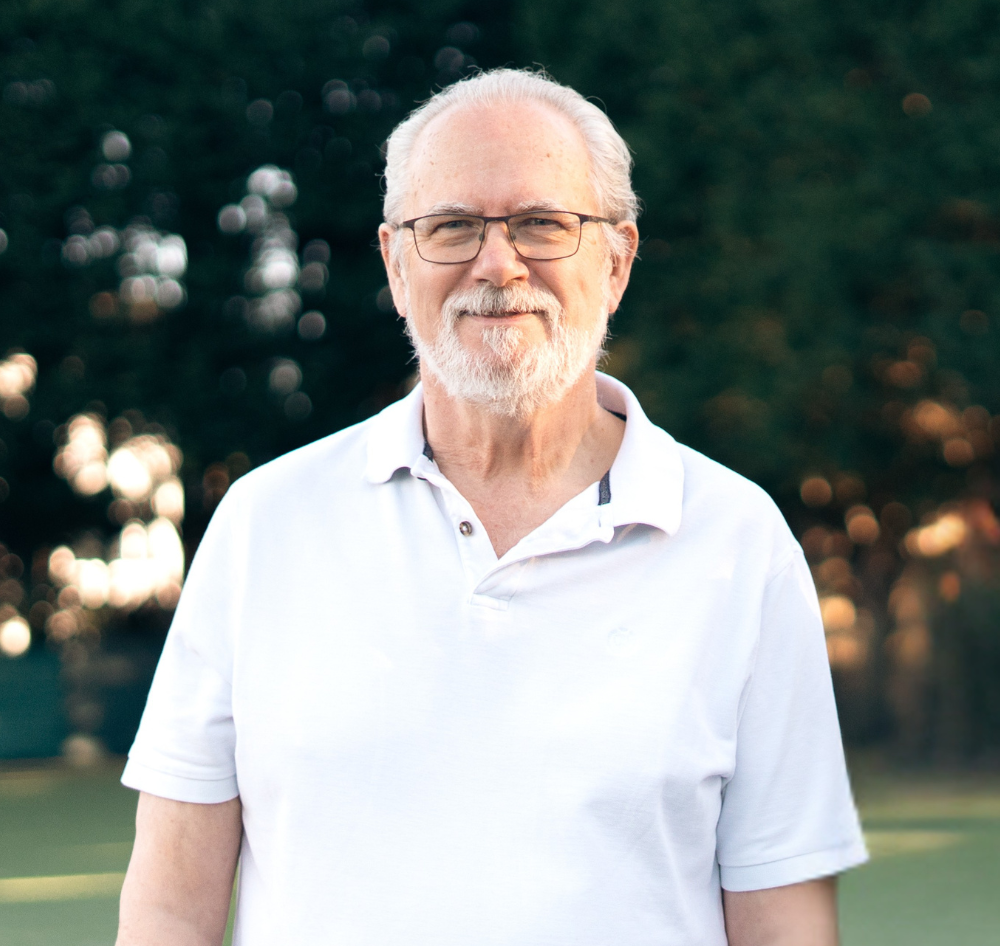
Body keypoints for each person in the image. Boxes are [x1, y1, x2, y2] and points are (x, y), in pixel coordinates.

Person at [116, 69, 867, 946]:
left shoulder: (739, 542)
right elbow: (171, 909)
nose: (498, 263)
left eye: (544, 223)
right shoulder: (265, 525)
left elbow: (786, 925)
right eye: (453, 227)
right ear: (398, 265)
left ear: (617, 260)